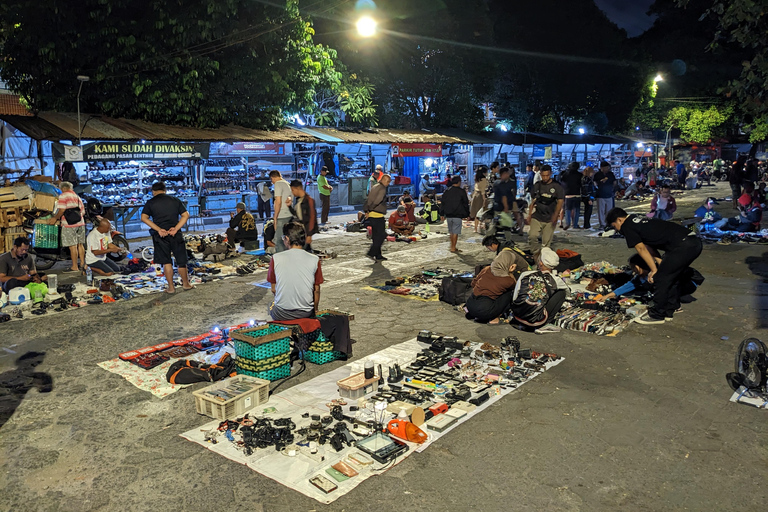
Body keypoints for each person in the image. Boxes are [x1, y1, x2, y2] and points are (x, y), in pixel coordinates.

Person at [606, 207, 703, 324]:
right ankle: (670, 310)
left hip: (683, 245)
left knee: (661, 279)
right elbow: (650, 248)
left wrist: (653, 270)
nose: (616, 230)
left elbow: (641, 249)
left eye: (614, 226)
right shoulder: (637, 220)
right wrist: (659, 265)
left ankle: (657, 315)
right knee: (670, 276)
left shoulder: (627, 226)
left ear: (620, 220)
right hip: (692, 242)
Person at [140, 182, 193, 294]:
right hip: (175, 234)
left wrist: (158, 229)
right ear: (165, 190)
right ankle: (186, 284)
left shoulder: (151, 202)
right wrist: (176, 228)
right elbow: (186, 215)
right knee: (181, 261)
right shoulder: (175, 200)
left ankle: (171, 288)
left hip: (160, 236)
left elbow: (144, 218)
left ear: (153, 191)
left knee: (166, 262)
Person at [266, 222, 323, 321]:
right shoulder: (314, 259)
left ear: (287, 239)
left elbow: (274, 289)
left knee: (270, 306)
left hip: (282, 313)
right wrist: (315, 311)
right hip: (306, 312)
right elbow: (316, 290)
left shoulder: (276, 258)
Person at [601, 254, 703, 303]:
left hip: (688, 284)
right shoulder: (641, 276)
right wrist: (609, 295)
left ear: (638, 266)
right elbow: (629, 285)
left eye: (633, 267)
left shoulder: (657, 271)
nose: (632, 270)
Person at [510, 248, 568, 330]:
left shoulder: (525, 274)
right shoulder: (556, 280)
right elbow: (568, 292)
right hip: (536, 322)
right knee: (561, 292)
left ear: (540, 263)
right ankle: (547, 322)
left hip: (517, 316)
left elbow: (515, 296)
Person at [45, 181, 85, 273]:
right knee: (80, 244)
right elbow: (83, 212)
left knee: (72, 246)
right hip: (81, 223)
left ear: (63, 188)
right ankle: (82, 264)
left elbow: (62, 209)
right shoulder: (77, 197)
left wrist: (55, 218)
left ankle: (74, 266)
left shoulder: (63, 196)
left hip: (69, 224)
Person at [527, 165, 564, 254]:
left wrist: (556, 215)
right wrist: (529, 214)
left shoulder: (557, 186)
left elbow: (560, 201)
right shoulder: (537, 185)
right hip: (537, 216)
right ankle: (535, 254)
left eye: (547, 175)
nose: (545, 178)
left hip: (550, 218)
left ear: (550, 174)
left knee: (546, 242)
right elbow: (533, 201)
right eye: (543, 175)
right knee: (532, 236)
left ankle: (544, 258)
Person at [364, 173, 391, 262]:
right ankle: (371, 252)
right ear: (383, 180)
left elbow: (368, 199)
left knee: (376, 236)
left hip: (372, 214)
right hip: (377, 215)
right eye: (387, 181)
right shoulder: (382, 188)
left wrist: (367, 210)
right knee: (381, 235)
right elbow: (377, 200)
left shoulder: (375, 186)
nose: (388, 183)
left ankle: (378, 255)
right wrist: (370, 209)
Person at [441, 176, 470, 253]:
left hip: (448, 214)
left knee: (451, 231)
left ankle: (452, 246)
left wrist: (441, 213)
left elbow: (442, 203)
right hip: (457, 214)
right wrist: (467, 214)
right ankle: (453, 247)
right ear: (459, 182)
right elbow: (465, 203)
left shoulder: (447, 191)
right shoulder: (461, 191)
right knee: (455, 231)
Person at [288, 180, 319, 251]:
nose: (292, 192)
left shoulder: (309, 200)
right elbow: (296, 214)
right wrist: (289, 206)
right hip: (300, 230)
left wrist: (309, 234)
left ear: (297, 188)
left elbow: (312, 217)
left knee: (304, 250)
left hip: (306, 230)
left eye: (292, 190)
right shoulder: (298, 200)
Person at [269, 170, 293, 253]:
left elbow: (278, 201)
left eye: (271, 180)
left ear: (273, 177)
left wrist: (275, 216)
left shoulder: (278, 184)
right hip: (289, 214)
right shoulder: (287, 183)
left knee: (279, 240)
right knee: (286, 239)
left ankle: (281, 260)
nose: (272, 182)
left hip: (282, 215)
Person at [560, 162, 583, 230]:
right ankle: (575, 224)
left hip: (568, 194)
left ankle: (568, 223)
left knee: (568, 209)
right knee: (576, 210)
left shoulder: (565, 174)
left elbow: (560, 180)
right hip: (577, 193)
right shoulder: (579, 175)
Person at [593, 161, 615, 229]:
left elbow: (614, 182)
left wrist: (613, 190)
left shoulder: (610, 174)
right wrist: (601, 182)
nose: (607, 169)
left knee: (609, 211)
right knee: (601, 211)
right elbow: (595, 183)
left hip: (609, 194)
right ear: (602, 168)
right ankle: (602, 224)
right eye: (605, 167)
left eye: (608, 167)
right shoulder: (598, 175)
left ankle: (608, 223)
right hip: (600, 195)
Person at [470, 168, 488, 233]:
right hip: (480, 196)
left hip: (476, 195)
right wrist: (484, 200)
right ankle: (480, 228)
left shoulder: (477, 179)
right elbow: (483, 191)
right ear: (484, 173)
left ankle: (475, 228)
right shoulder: (484, 180)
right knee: (481, 212)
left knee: (476, 213)